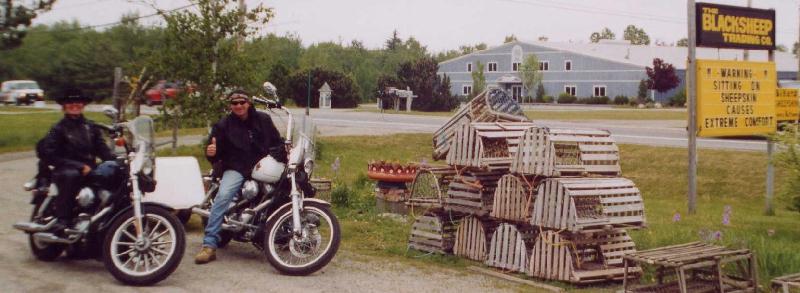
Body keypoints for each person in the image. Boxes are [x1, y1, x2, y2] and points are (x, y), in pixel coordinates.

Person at [195, 89, 286, 264]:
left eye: (242, 102)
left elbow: (277, 141)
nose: (238, 106)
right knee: (223, 196)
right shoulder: (223, 125)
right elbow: (214, 151)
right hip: (236, 168)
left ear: (248, 103)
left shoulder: (263, 120)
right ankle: (209, 246)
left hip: (263, 167)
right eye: (234, 103)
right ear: (230, 105)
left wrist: (285, 149)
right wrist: (211, 152)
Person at [39, 88, 116, 232]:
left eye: (78, 102)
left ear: (83, 105)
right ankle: (63, 219)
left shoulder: (91, 127)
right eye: (70, 102)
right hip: (64, 167)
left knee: (113, 173)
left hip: (88, 168)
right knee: (71, 176)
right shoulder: (56, 128)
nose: (74, 105)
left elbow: (102, 149)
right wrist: (78, 166)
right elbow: (48, 153)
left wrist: (117, 160)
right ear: (64, 106)